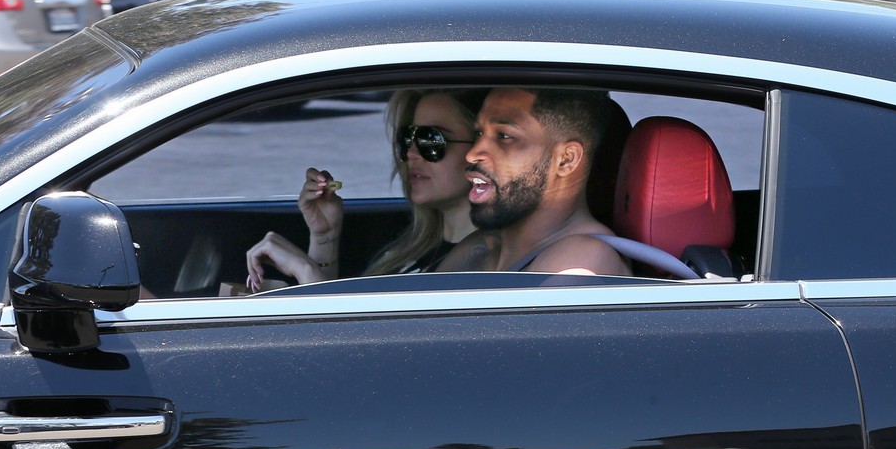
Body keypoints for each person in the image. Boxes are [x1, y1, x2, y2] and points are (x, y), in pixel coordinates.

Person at [242, 88, 488, 292]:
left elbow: (357, 336)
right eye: (407, 138)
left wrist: (306, 273)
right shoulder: (414, 248)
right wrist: (324, 238)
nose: (412, 153)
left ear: (481, 152)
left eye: (430, 140)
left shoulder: (486, 267)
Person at [439, 86, 631, 276]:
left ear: (565, 159)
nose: (472, 154)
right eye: (479, 133)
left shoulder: (584, 260)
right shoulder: (484, 245)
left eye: (504, 136)